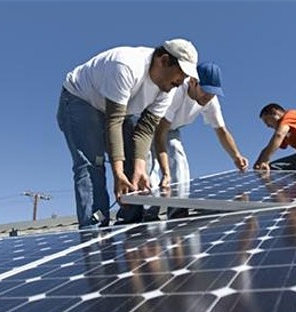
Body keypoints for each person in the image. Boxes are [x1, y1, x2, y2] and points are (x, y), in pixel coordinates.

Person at [57, 38, 199, 229]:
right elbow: (114, 120)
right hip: (81, 100)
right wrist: (118, 173)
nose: (182, 80)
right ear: (164, 60)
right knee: (94, 162)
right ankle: (95, 228)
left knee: (135, 164)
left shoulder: (168, 89)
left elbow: (146, 129)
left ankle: (129, 222)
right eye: (181, 73)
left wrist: (139, 169)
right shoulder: (126, 65)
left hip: (123, 108)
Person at [130, 61, 249, 218]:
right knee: (150, 166)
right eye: (206, 91)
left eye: (213, 93)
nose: (208, 97)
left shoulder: (209, 99)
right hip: (147, 126)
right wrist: (166, 172)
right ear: (192, 81)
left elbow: (221, 130)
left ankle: (178, 209)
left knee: (178, 158)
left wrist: (236, 156)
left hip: (170, 129)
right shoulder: (175, 91)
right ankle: (149, 211)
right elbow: (159, 134)